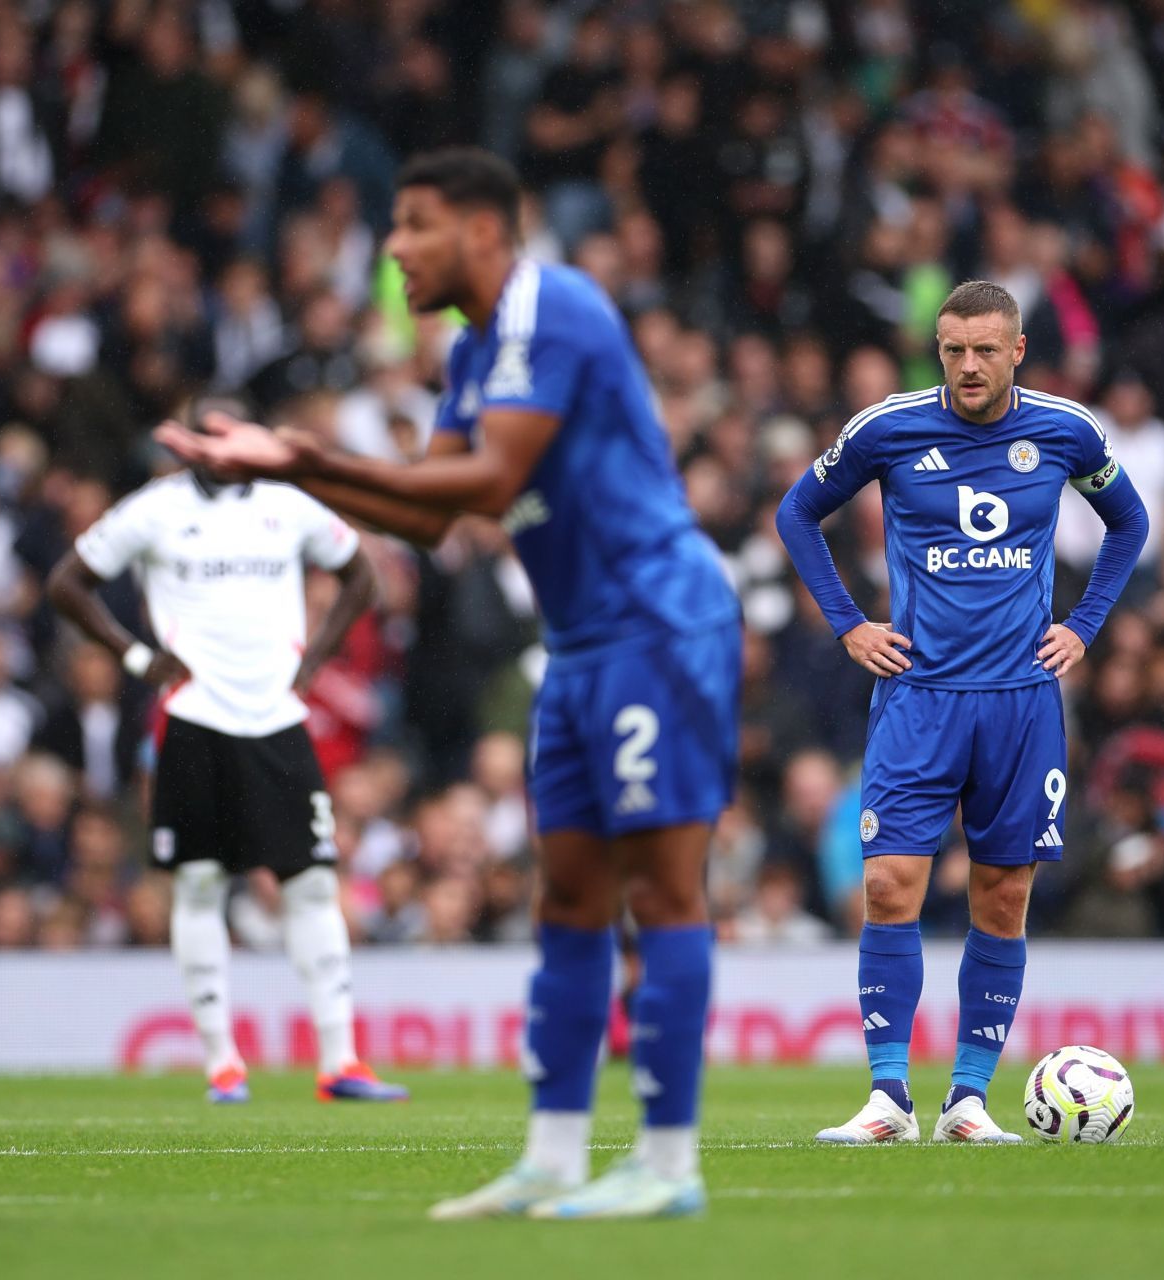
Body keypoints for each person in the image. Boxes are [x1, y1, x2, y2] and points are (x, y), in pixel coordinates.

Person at [156, 147, 741, 1221]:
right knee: (566, 894)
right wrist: (299, 462)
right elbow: (431, 513)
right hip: (576, 645)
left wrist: (299, 462)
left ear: (480, 231)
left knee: (660, 890)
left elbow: (491, 478)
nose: (392, 247)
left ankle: (668, 1162)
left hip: (659, 624)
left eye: (414, 223)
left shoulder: (551, 308)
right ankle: (555, 1157)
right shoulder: (477, 351)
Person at [775, 280, 1148, 1144]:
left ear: (1018, 350)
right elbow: (799, 512)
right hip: (918, 695)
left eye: (985, 350)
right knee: (886, 884)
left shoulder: (1065, 429)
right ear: (936, 350)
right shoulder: (889, 427)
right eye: (952, 350)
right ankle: (887, 1099)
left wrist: (1084, 626)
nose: (967, 366)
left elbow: (1128, 524)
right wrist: (849, 625)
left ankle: (969, 1100)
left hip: (1021, 703)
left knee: (1003, 897)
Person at [46, 405, 403, 1106]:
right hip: (194, 718)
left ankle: (341, 1060)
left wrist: (316, 661)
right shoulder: (153, 510)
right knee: (201, 884)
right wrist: (139, 656)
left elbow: (363, 576)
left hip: (277, 719)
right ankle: (222, 1064)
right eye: (205, 435)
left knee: (309, 884)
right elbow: (67, 583)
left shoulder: (288, 505)